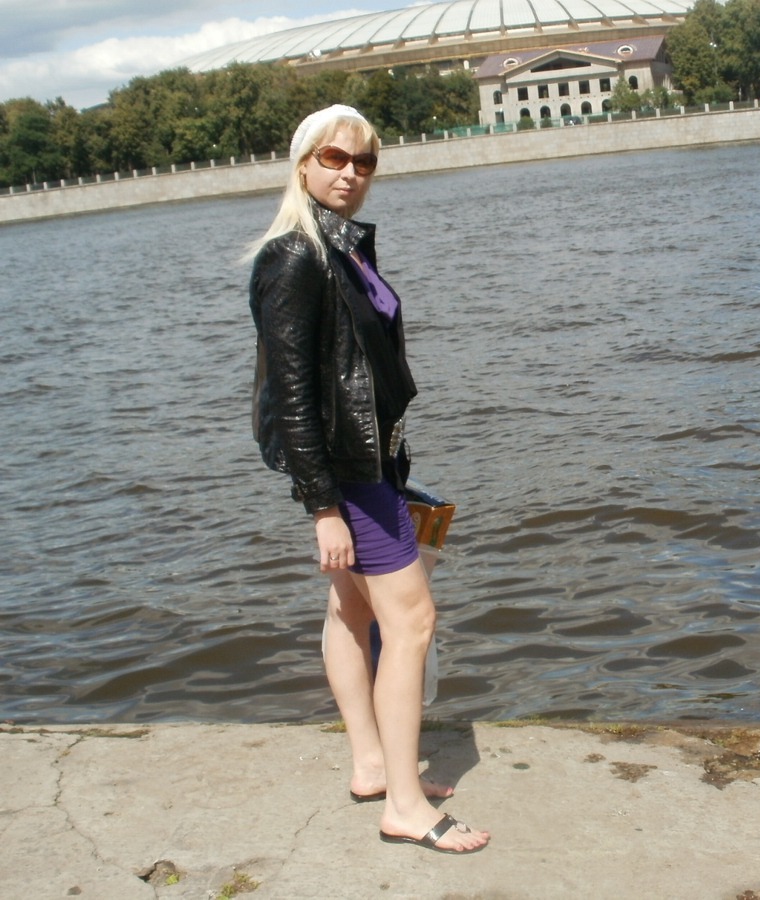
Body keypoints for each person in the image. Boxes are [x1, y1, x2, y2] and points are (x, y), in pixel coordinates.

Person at [247, 104, 488, 854]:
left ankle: (374, 766)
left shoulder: (342, 247)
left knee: (351, 612)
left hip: (370, 463)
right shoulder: (295, 257)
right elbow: (290, 396)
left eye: (364, 162)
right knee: (411, 621)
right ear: (303, 164)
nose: (350, 174)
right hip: (348, 477)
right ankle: (406, 807)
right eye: (334, 158)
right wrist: (323, 507)